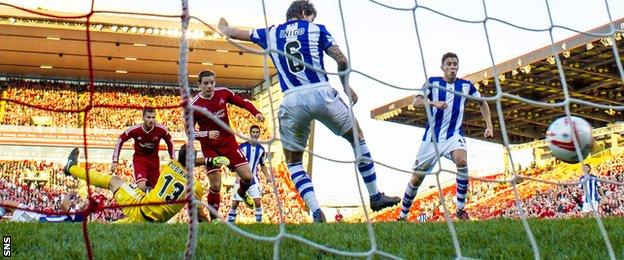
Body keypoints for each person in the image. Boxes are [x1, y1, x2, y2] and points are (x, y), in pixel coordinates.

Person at [219, 0, 400, 222]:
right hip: (321, 92)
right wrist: (345, 86)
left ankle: (316, 211)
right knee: (357, 138)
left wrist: (224, 26)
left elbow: (231, 32)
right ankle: (374, 196)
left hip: (292, 99)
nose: (312, 21)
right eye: (311, 17)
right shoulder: (317, 30)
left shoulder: (271, 32)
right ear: (304, 13)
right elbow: (341, 59)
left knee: (294, 162)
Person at [398, 52, 493, 221]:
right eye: (449, 64)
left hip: (453, 135)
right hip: (431, 139)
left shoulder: (466, 85)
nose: (452, 67)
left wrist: (489, 126)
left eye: (455, 64)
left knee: (462, 161)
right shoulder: (433, 83)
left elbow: (482, 102)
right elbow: (416, 102)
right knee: (416, 178)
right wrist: (433, 102)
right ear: (442, 67)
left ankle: (460, 209)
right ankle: (403, 215)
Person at [63, 145, 224, 223]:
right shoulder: (195, 186)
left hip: (140, 207)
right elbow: (198, 215)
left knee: (114, 181)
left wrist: (206, 160)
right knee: (105, 226)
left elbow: (186, 162)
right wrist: (210, 224)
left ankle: (71, 168)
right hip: (151, 218)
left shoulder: (170, 165)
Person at [191, 70, 263, 220]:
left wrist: (255, 112)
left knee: (248, 177)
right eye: (205, 83)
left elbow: (243, 102)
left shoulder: (223, 93)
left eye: (212, 83)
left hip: (228, 143)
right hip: (210, 147)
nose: (209, 86)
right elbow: (188, 132)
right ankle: (215, 219)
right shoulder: (193, 105)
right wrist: (206, 134)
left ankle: (242, 193)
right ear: (199, 85)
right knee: (216, 185)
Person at [112, 108, 175, 192]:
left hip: (154, 161)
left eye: (153, 117)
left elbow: (170, 142)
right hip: (140, 159)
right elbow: (120, 140)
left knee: (155, 189)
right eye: (148, 117)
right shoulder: (135, 130)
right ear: (143, 117)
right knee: (141, 186)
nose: (151, 120)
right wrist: (115, 160)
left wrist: (173, 159)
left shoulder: (161, 130)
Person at [227, 125, 270, 223]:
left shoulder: (261, 150)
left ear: (259, 134)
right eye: (253, 132)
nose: (255, 134)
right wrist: (237, 177)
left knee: (258, 202)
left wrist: (267, 176)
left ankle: (259, 223)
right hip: (241, 177)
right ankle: (230, 222)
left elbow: (263, 165)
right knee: (235, 203)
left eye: (257, 132)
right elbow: (236, 163)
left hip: (254, 179)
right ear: (250, 133)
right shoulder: (243, 147)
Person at [0, 190, 85, 222]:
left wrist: (70, 194)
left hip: (39, 220)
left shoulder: (80, 216)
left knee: (7, 203)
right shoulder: (81, 218)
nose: (84, 202)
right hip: (42, 219)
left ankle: (6, 253)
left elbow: (63, 204)